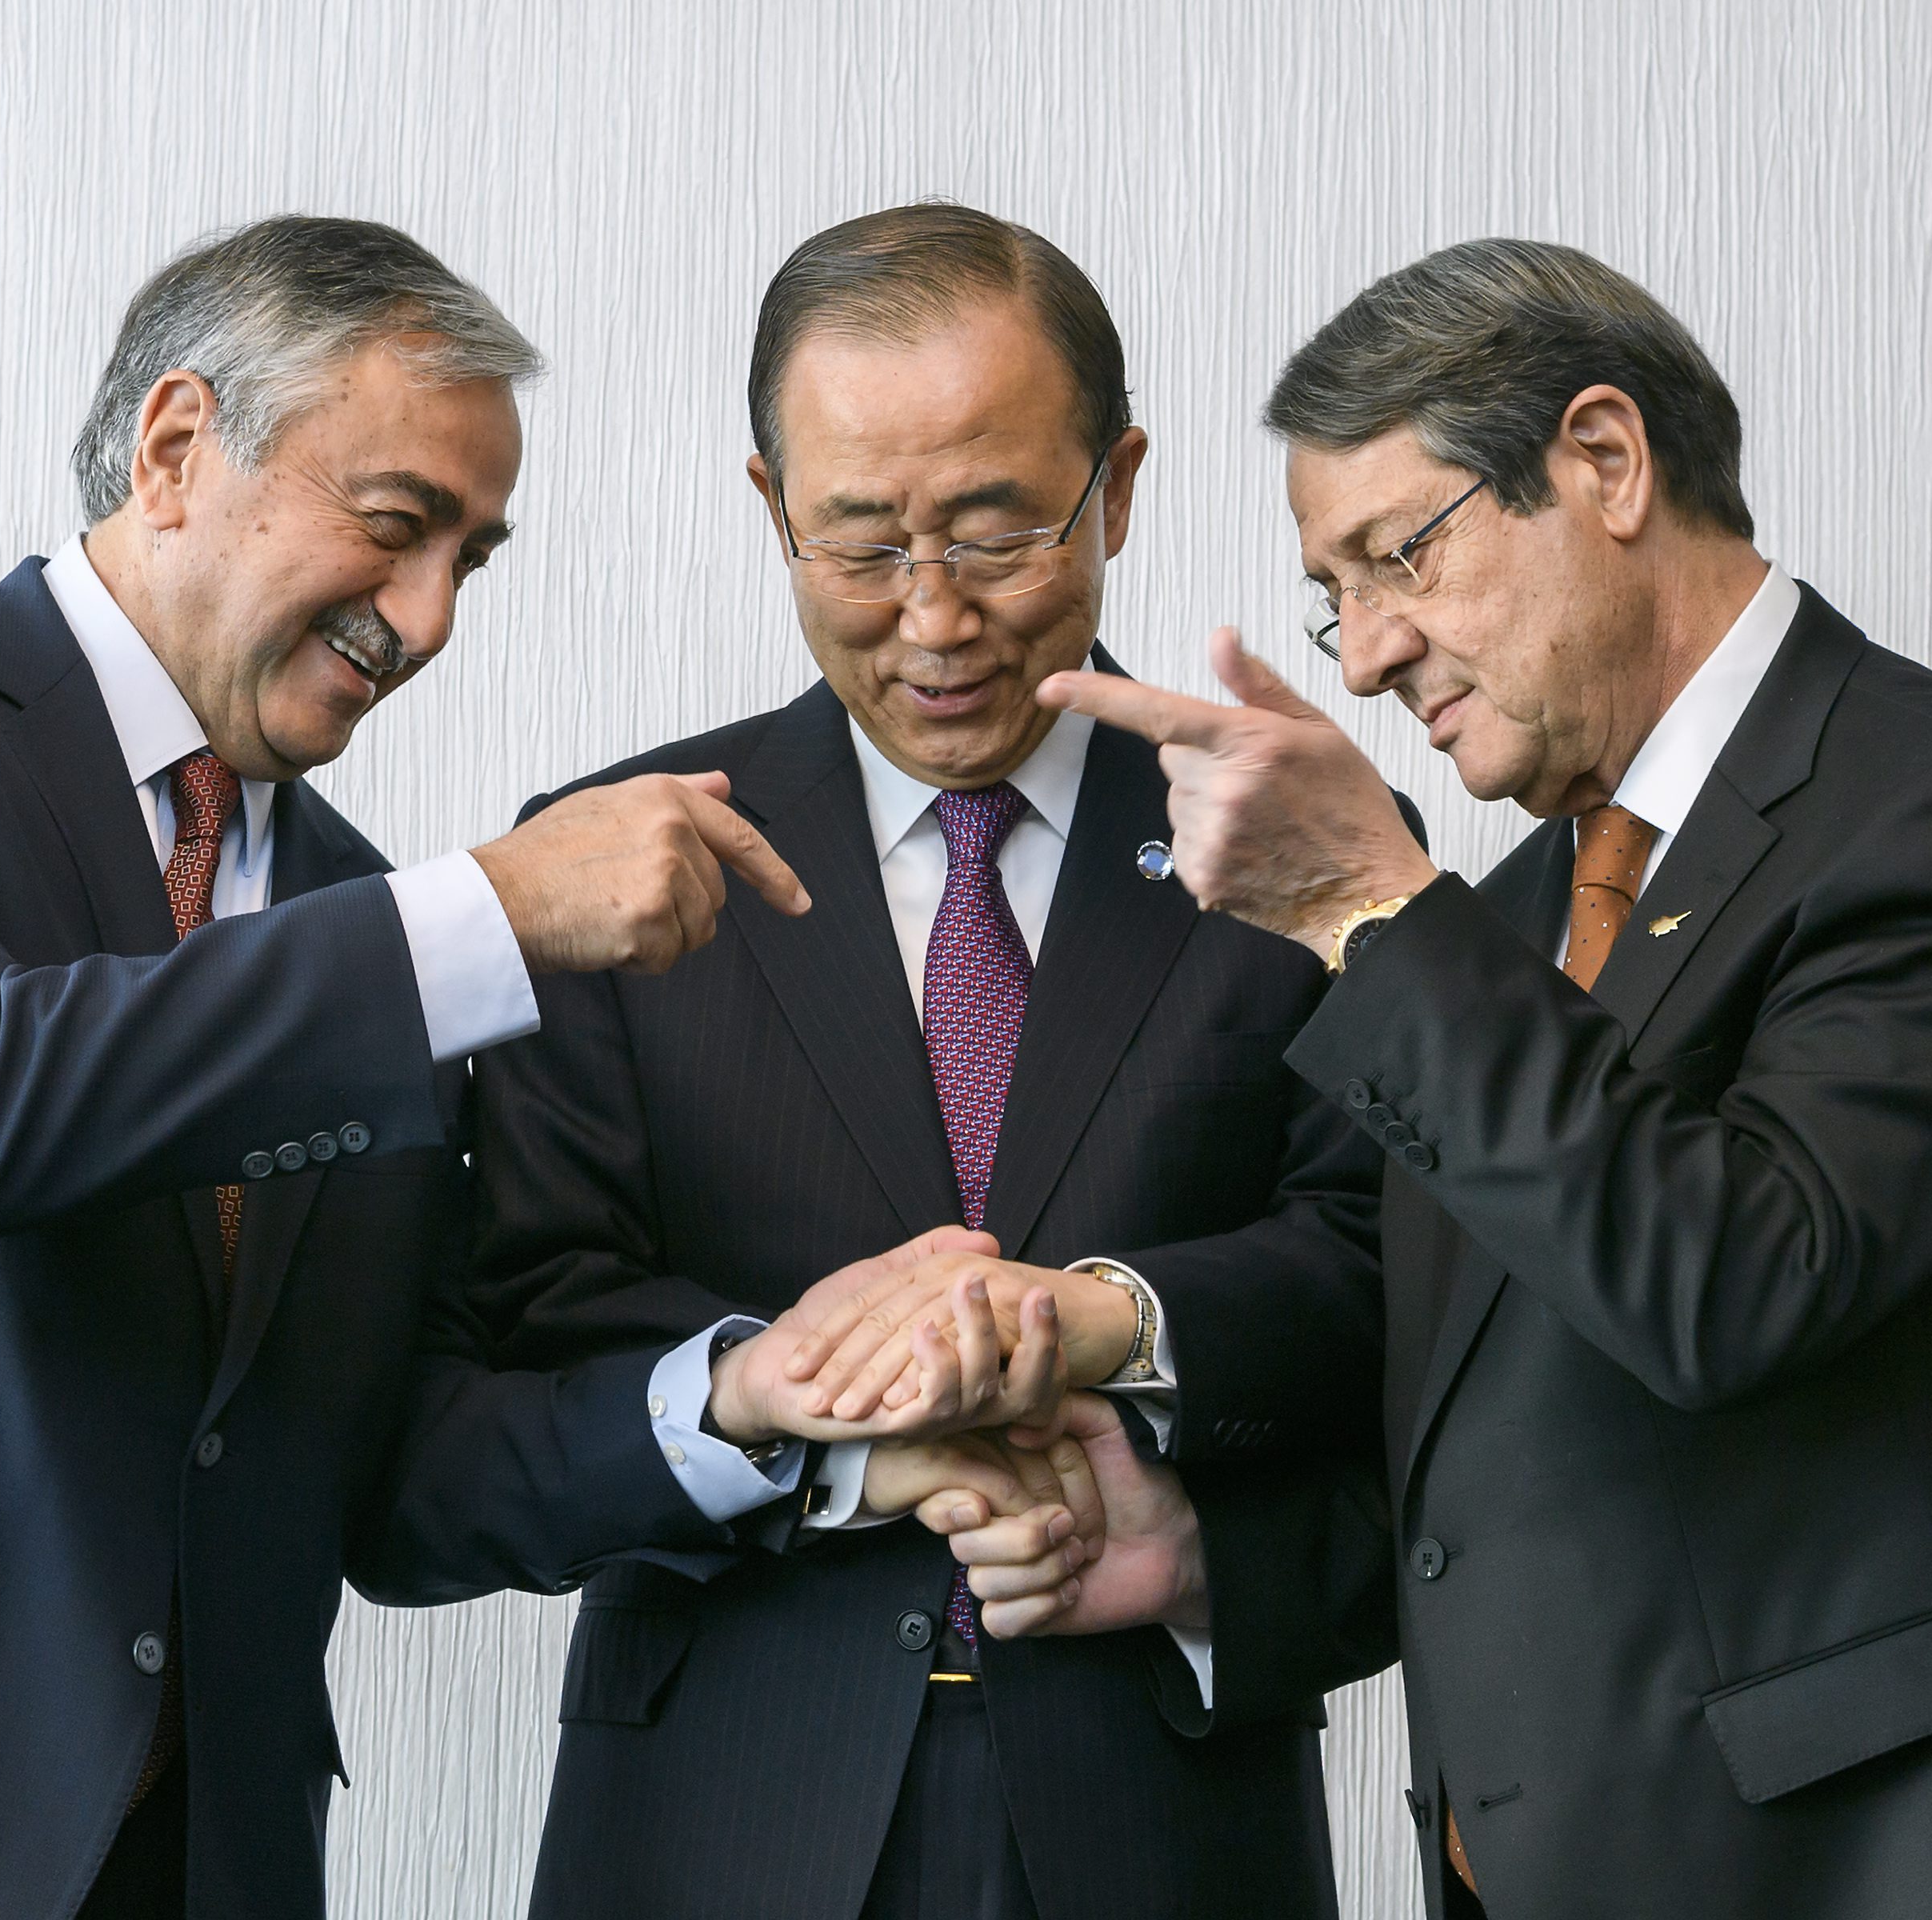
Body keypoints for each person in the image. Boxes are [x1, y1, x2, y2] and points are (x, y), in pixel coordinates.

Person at [0, 214, 1030, 1920]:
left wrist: (746, 1403)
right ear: (175, 449)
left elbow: (396, 1483)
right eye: (397, 527)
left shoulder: (373, 923)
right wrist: (493, 911)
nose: (428, 619)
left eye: (472, 562)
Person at [962, 238, 1932, 1918]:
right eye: (1334, 597)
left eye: (1398, 557)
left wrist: (1369, 907)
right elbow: (1520, 1450)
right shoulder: (1506, 917)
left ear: (1604, 460)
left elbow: (1729, 1283)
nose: (1365, 658)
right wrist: (1204, 1563)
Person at [469, 202, 1394, 1920]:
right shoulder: (612, 859)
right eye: (862, 544)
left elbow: (1389, 1278)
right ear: (774, 510)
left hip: (1164, 1811)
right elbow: (520, 1354)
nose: (936, 616)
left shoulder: (1302, 837)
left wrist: (1114, 1325)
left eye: (994, 531)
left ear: (1117, 489)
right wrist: (801, 1423)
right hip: (716, 1822)